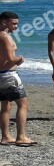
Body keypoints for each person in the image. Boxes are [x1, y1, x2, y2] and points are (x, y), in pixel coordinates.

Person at [0, 11, 33, 146]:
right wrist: (20, 59)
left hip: (1, 74)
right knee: (23, 104)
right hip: (9, 74)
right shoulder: (4, 36)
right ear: (4, 22)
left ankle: (6, 136)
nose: (16, 27)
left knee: (6, 105)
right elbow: (11, 59)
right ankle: (21, 136)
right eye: (13, 24)